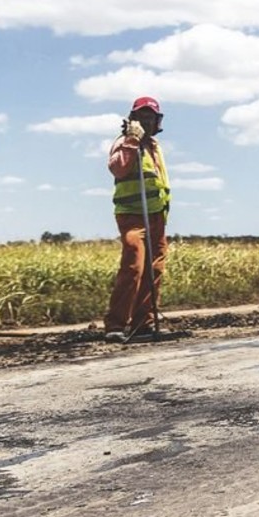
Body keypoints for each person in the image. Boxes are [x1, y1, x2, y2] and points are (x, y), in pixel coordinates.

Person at [104, 96, 171, 343]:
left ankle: (144, 323)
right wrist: (132, 140)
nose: (146, 121)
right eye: (141, 116)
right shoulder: (123, 142)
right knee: (133, 265)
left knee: (154, 269)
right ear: (133, 119)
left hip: (156, 216)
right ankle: (116, 324)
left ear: (157, 121)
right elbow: (118, 169)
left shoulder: (154, 146)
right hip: (132, 215)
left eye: (151, 117)